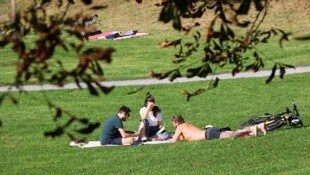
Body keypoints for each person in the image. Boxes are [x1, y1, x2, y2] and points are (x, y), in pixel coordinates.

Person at [170, 115, 267, 143]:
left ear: (176, 122)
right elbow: (190, 136)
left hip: (209, 134)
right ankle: (259, 127)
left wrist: (171, 139)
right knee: (235, 135)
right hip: (209, 131)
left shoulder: (179, 127)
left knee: (232, 136)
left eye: (173, 123)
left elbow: (174, 141)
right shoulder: (187, 125)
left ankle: (252, 128)